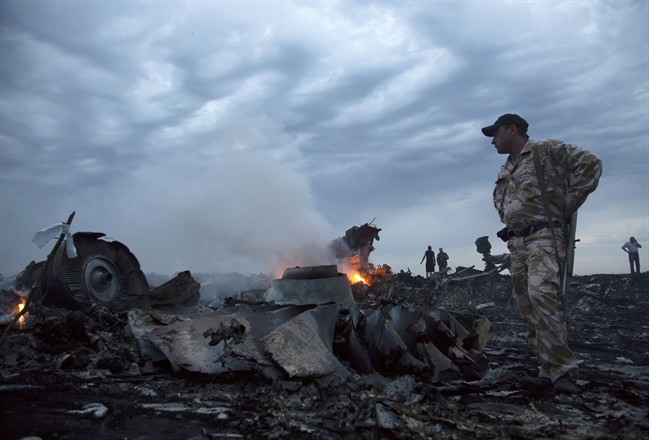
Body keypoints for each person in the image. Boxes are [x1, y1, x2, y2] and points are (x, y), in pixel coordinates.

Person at [483, 113, 602, 394]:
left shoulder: (545, 151)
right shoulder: (506, 168)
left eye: (495, 134)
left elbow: (591, 164)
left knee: (543, 296)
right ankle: (546, 369)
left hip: (543, 238)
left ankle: (563, 372)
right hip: (518, 244)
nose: (493, 141)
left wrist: (565, 206)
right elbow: (508, 202)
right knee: (528, 306)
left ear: (512, 130)